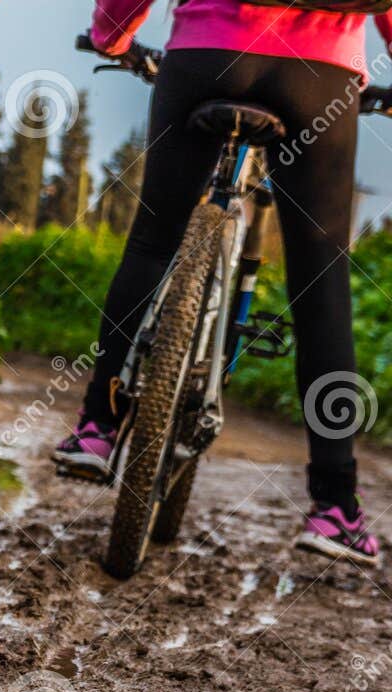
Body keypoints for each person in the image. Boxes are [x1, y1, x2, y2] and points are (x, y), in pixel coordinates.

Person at [53, 0, 389, 566]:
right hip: (321, 75)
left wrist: (111, 38)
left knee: (153, 243)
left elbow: (123, 9)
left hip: (207, 57)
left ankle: (98, 427)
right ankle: (335, 508)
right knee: (322, 282)